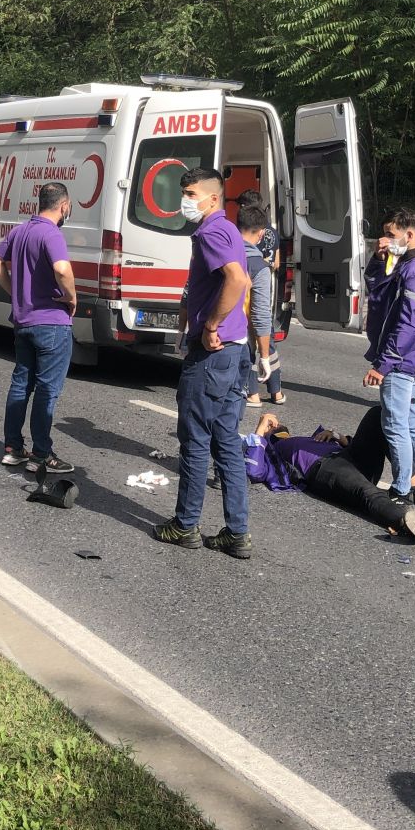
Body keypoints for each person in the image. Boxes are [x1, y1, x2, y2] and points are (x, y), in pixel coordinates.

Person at [154, 167, 253, 559]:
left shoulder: (211, 231)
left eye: (192, 193)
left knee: (194, 439)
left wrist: (211, 322)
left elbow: (236, 279)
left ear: (213, 198)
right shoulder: (228, 228)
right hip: (235, 351)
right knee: (226, 440)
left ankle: (185, 524)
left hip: (213, 352)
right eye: (184, 193)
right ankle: (237, 532)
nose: (186, 200)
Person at [253, 409, 415, 544]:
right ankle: (406, 521)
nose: (275, 424)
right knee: (368, 493)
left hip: (349, 456)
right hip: (325, 469)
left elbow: (355, 444)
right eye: (270, 428)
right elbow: (254, 469)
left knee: (378, 414)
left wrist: (337, 436)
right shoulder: (272, 452)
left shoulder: (305, 439)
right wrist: (260, 430)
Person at [0, 183, 78, 473]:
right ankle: (41, 454)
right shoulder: (52, 233)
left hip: (23, 321)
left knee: (21, 384)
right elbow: (62, 269)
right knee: (47, 390)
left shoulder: (21, 230)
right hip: (52, 322)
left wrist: (13, 292)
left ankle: (13, 448)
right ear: (64, 205)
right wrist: (71, 297)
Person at [363, 208, 415, 517]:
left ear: (409, 235)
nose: (386, 240)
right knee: (410, 421)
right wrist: (379, 258)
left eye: (392, 235)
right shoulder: (405, 264)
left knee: (398, 425)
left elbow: (410, 325)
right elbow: (376, 289)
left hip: (403, 362)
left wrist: (384, 364)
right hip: (411, 360)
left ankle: (402, 490)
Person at [237, 205, 285, 407]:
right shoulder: (258, 265)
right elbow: (259, 315)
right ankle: (269, 392)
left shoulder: (218, 252)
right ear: (262, 232)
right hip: (244, 328)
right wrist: (264, 357)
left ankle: (254, 395)